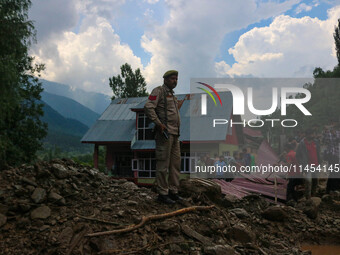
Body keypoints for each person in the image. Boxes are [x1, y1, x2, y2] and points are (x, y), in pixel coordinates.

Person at [144, 70, 182, 204]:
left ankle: (173, 191)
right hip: (164, 133)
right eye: (172, 78)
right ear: (165, 79)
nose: (175, 81)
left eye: (176, 79)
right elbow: (148, 106)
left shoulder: (172, 95)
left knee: (175, 164)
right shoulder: (158, 91)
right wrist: (158, 123)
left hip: (175, 134)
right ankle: (162, 193)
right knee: (163, 164)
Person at [296, 128, 321, 199]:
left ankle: (313, 194)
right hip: (307, 165)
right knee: (308, 181)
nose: (313, 135)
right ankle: (308, 197)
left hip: (316, 165)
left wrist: (320, 162)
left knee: (315, 180)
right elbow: (297, 155)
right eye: (311, 134)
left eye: (313, 134)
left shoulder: (316, 142)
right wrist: (302, 164)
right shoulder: (302, 143)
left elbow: (318, 153)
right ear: (307, 135)